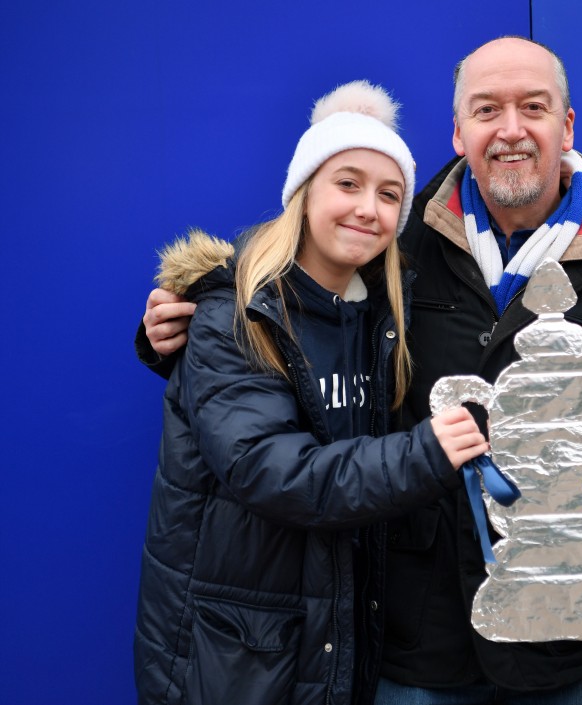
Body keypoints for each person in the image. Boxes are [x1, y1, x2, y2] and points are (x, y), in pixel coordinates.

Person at [139, 36, 582, 704]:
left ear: (566, 125)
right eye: (487, 110)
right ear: (459, 131)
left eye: (533, 107)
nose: (510, 129)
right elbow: (288, 313)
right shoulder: (397, 243)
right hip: (421, 629)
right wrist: (184, 326)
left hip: (579, 636)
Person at [133, 80, 490, 705]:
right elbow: (267, 469)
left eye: (389, 196)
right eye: (347, 184)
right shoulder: (237, 310)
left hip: (327, 639)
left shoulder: (376, 319)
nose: (367, 209)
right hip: (234, 655)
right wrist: (426, 453)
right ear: (304, 193)